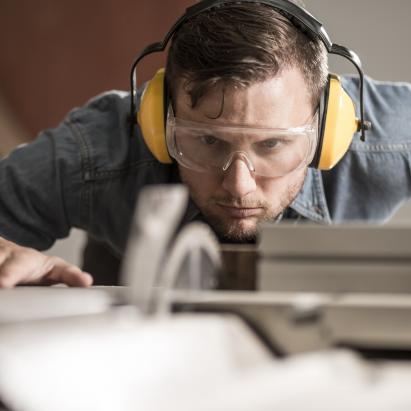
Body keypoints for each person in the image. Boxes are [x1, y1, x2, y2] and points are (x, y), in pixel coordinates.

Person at [0, 0, 410, 288]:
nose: (239, 187)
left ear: (327, 128)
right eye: (208, 142)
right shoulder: (101, 149)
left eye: (271, 145)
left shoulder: (388, 136)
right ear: (160, 121)